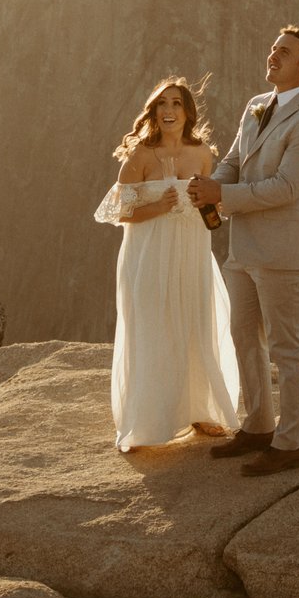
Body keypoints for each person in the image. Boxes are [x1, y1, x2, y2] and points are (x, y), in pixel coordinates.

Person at [188, 26, 299, 477]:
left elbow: (287, 187)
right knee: (243, 337)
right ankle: (257, 426)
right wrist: (208, 183)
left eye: (284, 52)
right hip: (244, 247)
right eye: (273, 49)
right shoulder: (255, 106)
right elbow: (234, 161)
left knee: (288, 349)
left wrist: (222, 196)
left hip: (284, 252)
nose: (273, 56)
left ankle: (291, 444)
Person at [93, 76, 239, 451]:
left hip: (191, 253)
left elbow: (210, 202)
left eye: (176, 104)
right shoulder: (139, 156)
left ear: (188, 112)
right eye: (162, 104)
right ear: (153, 112)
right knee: (154, 329)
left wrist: (209, 205)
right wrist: (157, 207)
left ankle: (201, 411)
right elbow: (116, 211)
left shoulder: (203, 153)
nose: (169, 110)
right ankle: (147, 423)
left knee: (196, 324)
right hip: (148, 257)